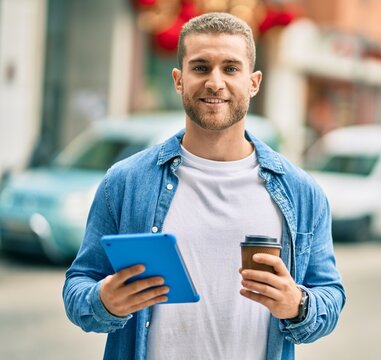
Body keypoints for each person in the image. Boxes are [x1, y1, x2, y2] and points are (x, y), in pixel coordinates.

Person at [63, 12, 345, 360]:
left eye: (230, 68)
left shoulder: (302, 192)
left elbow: (330, 296)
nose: (215, 82)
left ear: (254, 82)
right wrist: (104, 301)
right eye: (200, 68)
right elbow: (78, 288)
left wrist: (297, 305)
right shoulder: (124, 182)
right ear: (178, 80)